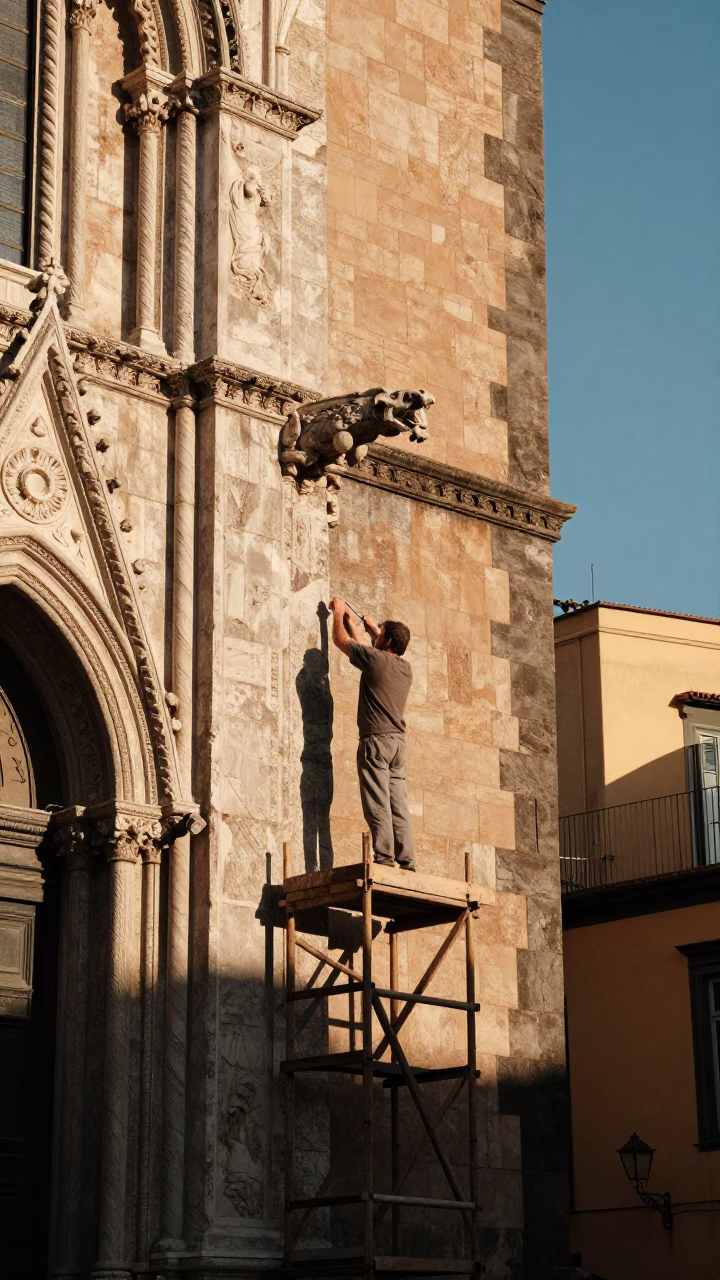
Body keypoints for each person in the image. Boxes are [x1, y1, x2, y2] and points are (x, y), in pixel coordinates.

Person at [330, 596, 416, 871]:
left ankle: (384, 859)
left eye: (382, 634)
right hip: (397, 745)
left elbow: (341, 641)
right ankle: (407, 861)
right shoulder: (405, 668)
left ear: (387, 642)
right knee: (398, 804)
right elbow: (374, 648)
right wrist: (368, 628)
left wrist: (340, 614)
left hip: (376, 744)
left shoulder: (376, 660)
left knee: (377, 803)